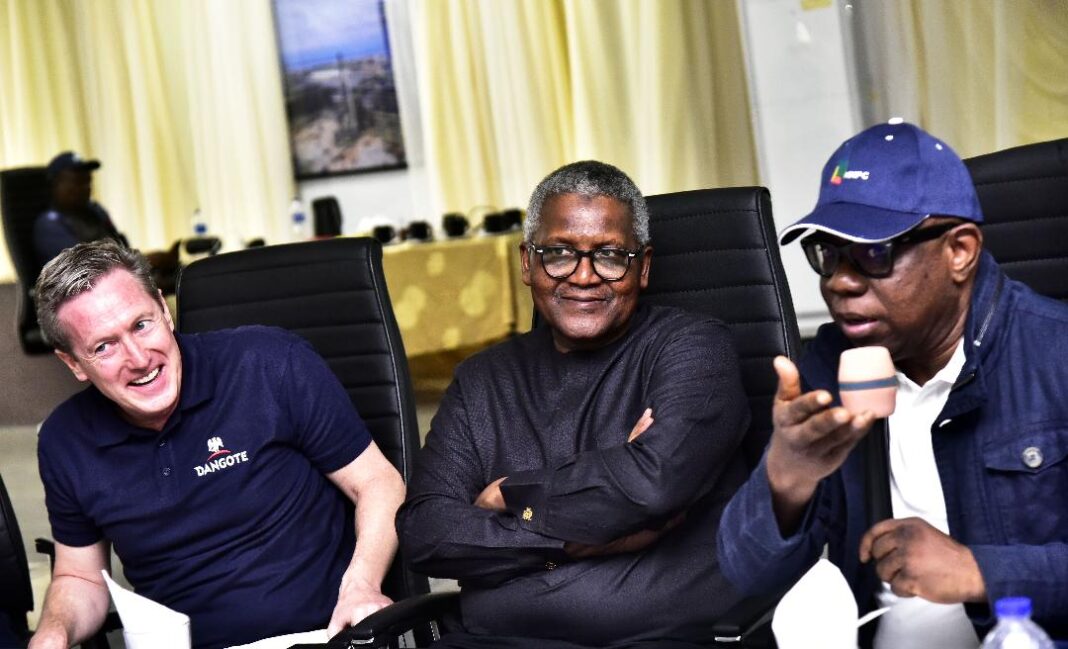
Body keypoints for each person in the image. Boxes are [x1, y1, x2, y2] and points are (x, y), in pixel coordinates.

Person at [717, 120, 1068, 647]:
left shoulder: (1054, 352)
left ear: (960, 251)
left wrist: (980, 571)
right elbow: (745, 574)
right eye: (828, 254)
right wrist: (787, 477)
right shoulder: (831, 366)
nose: (839, 281)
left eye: (874, 253)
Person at [397, 161, 751, 648]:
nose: (584, 277)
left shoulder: (693, 348)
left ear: (642, 267)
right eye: (559, 253)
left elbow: (653, 486)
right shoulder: (482, 380)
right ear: (527, 262)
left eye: (609, 255)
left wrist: (509, 497)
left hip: (652, 640)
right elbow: (427, 533)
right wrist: (578, 534)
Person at [28, 241, 405, 649]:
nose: (138, 358)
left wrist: (362, 585)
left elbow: (378, 482)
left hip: (321, 635)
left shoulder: (270, 363)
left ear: (163, 308)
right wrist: (54, 632)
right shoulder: (64, 440)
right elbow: (80, 576)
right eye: (104, 346)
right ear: (72, 363)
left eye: (141, 325)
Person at [33, 152, 126, 268]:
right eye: (77, 182)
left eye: (88, 181)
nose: (86, 187)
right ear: (55, 185)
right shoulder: (49, 223)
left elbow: (120, 243)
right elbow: (84, 263)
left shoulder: (96, 210)